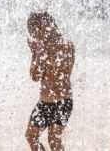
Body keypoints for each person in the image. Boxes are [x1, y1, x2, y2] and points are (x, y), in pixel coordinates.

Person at [25, 12, 75, 151]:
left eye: (33, 32)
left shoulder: (47, 48)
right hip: (60, 101)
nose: (34, 37)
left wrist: (35, 53)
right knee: (52, 140)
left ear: (39, 28)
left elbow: (35, 76)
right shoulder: (67, 44)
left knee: (35, 137)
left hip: (54, 102)